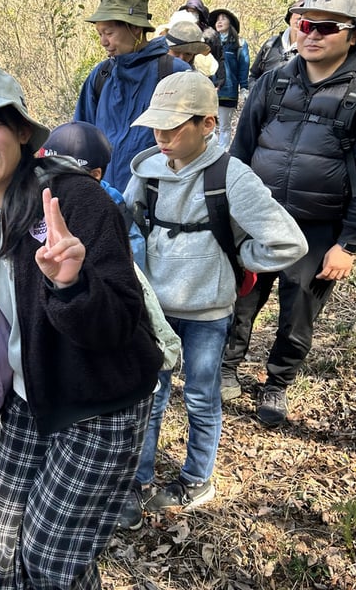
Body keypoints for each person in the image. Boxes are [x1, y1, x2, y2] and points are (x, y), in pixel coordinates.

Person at [0, 67, 163, 589]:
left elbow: (119, 322)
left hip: (100, 404)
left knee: (51, 562)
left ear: (20, 130)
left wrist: (71, 285)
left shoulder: (74, 201)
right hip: (28, 399)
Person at [119, 72, 307, 524]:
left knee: (202, 397)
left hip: (208, 312)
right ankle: (137, 481)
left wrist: (240, 255)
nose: (161, 137)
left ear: (207, 124)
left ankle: (197, 478)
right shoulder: (146, 173)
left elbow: (289, 243)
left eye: (173, 127)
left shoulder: (232, 177)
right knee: (149, 396)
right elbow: (125, 228)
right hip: (155, 312)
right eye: (157, 126)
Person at [222, 0, 356, 427]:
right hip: (258, 218)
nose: (312, 34)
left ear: (354, 35)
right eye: (305, 24)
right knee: (240, 299)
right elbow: (240, 153)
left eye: (327, 27)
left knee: (298, 311)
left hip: (318, 227)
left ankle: (277, 382)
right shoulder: (273, 82)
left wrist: (348, 244)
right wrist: (228, 211)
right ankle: (225, 367)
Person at [74, 0, 191, 193]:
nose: (103, 42)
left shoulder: (174, 73)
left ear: (135, 28)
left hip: (158, 197)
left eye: (109, 33)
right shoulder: (101, 76)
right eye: (100, 34)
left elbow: (194, 142)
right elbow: (80, 139)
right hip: (105, 197)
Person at [38, 120, 146, 271]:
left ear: (95, 175)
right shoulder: (38, 200)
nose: (53, 182)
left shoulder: (114, 212)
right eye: (48, 172)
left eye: (64, 177)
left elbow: (133, 268)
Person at [207, 8, 250, 150]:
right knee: (208, 124)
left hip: (229, 90)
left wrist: (244, 87)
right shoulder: (208, 42)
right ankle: (208, 152)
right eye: (217, 19)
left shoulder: (240, 43)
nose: (219, 22)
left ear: (230, 23)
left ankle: (223, 153)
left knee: (224, 126)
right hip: (209, 88)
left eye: (223, 18)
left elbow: (243, 66)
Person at [249, 0, 306, 82]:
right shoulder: (271, 44)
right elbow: (253, 75)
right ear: (290, 17)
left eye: (304, 16)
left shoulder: (310, 50)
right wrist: (255, 89)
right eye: (297, 13)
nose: (299, 20)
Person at [179, 0, 226, 90]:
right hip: (181, 75)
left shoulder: (209, 34)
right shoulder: (178, 31)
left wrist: (220, 81)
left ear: (200, 14)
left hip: (203, 78)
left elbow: (219, 57)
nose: (191, 14)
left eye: (194, 11)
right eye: (188, 11)